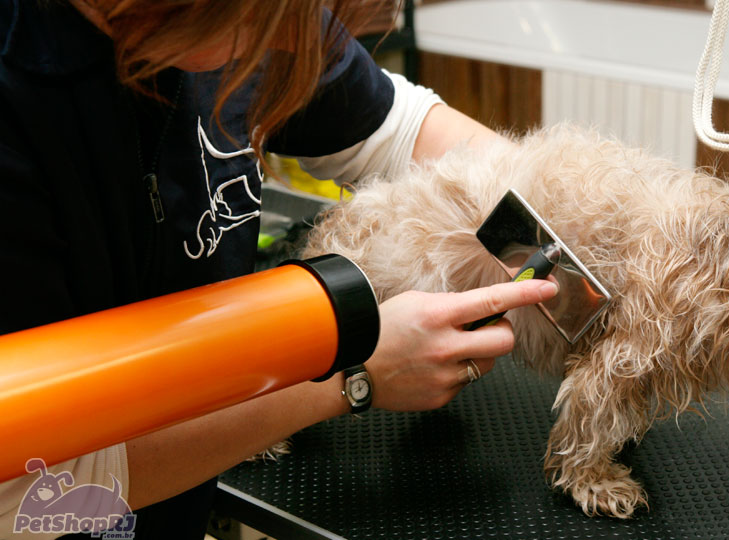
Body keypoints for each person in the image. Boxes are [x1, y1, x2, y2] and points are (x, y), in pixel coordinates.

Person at [0, 0, 557, 537]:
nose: (296, 42)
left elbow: (397, 130)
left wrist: (556, 206)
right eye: (269, 18)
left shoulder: (262, 19)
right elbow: (27, 494)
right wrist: (353, 379)